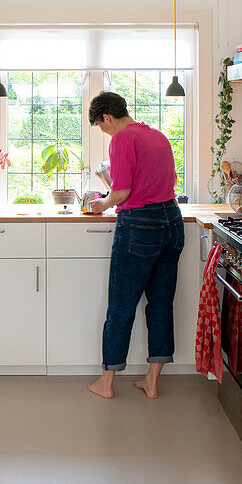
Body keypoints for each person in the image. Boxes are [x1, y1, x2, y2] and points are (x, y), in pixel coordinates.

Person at [86, 91, 185, 400]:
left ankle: (106, 382)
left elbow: (121, 192)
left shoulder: (122, 139)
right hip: (172, 221)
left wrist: (99, 205)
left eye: (101, 127)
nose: (104, 134)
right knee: (160, 304)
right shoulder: (157, 135)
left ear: (106, 117)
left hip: (140, 226)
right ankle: (152, 381)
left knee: (121, 305)